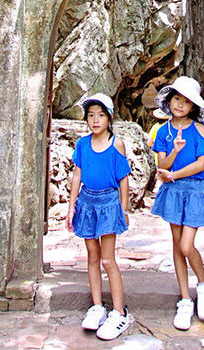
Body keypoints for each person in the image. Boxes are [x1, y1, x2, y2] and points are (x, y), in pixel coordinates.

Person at [66, 93, 134, 340]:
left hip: (108, 202)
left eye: (100, 115)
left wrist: (124, 209)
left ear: (110, 117)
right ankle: (97, 307)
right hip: (86, 201)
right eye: (91, 115)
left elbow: (124, 178)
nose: (95, 120)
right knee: (92, 257)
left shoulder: (117, 144)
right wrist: (71, 207)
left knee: (108, 259)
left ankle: (118, 311)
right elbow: (76, 175)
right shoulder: (82, 144)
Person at [151, 76, 204, 330]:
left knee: (187, 245)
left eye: (186, 101)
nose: (180, 104)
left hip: (193, 190)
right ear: (169, 101)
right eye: (177, 98)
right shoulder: (163, 131)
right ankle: (185, 299)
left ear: (193, 107)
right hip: (173, 193)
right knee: (177, 246)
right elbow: (161, 165)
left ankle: (203, 282)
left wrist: (175, 174)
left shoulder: (198, 129)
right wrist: (175, 152)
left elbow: (202, 163)